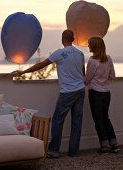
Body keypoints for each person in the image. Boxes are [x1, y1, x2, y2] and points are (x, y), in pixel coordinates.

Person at [12, 29, 85, 158]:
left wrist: (22, 72)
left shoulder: (60, 54)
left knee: (57, 120)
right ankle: (74, 151)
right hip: (80, 90)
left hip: (67, 92)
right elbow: (82, 73)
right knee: (77, 121)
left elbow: (41, 65)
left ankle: (54, 150)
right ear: (73, 39)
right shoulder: (80, 54)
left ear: (62, 39)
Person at [85, 36, 120, 153]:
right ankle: (114, 144)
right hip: (106, 93)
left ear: (94, 46)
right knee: (106, 118)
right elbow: (112, 76)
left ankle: (104, 146)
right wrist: (104, 81)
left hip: (95, 93)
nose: (88, 45)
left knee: (98, 120)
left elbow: (87, 80)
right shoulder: (108, 58)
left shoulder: (92, 61)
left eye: (89, 44)